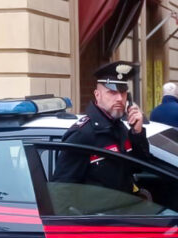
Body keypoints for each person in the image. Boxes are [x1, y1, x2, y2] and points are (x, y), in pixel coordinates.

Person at [52, 61, 150, 193]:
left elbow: (138, 167)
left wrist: (137, 132)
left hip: (125, 204)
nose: (119, 98)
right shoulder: (82, 134)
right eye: (112, 92)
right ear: (97, 95)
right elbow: (62, 190)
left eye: (123, 93)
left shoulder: (119, 127)